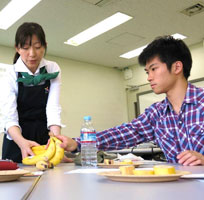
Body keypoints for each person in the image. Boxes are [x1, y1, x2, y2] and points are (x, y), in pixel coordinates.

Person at [56, 35, 204, 166]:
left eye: (154, 69)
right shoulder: (156, 113)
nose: (149, 77)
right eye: (147, 72)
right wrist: (78, 143)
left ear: (177, 67)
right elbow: (122, 133)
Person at [2, 22, 63, 163]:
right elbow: (10, 117)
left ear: (45, 46)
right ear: (17, 48)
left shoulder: (52, 68)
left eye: (37, 47)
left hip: (44, 136)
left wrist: (56, 141)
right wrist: (22, 142)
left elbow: (53, 108)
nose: (32, 54)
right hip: (17, 138)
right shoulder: (10, 73)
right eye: (25, 48)